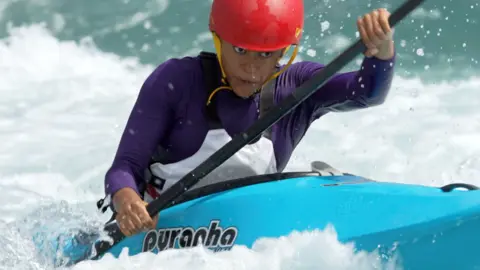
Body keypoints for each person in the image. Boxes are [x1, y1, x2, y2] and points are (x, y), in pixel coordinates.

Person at [102, 0, 396, 237]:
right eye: (241, 50)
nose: (253, 68)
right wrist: (126, 199)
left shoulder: (295, 89)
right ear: (218, 36)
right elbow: (124, 167)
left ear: (285, 50)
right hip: (158, 237)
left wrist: (381, 52)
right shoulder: (177, 82)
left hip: (248, 234)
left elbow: (366, 92)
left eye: (267, 54)